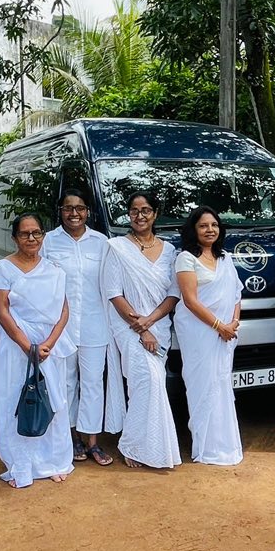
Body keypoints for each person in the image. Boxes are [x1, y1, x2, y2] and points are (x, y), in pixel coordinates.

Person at [0, 213, 76, 488]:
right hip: (15, 346)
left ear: (43, 235)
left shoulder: (54, 270)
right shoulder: (3, 268)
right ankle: (22, 465)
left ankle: (54, 462)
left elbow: (64, 310)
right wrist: (27, 346)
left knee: (51, 401)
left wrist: (49, 342)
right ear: (14, 237)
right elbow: (1, 311)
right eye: (25, 233)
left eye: (36, 233)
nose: (31, 238)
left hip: (49, 348)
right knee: (16, 403)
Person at [101, 191, 182, 469]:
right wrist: (140, 328)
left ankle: (148, 446)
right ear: (128, 214)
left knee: (150, 385)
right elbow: (114, 293)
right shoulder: (117, 248)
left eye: (146, 210)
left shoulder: (169, 250)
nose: (140, 216)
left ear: (155, 213)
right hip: (129, 327)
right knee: (147, 381)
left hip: (159, 326)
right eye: (134, 211)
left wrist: (150, 322)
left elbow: (174, 294)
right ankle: (132, 445)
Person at [43, 188, 122, 467]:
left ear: (88, 211)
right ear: (60, 211)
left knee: (93, 383)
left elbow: (111, 283)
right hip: (60, 327)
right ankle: (71, 437)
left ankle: (92, 441)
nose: (74, 213)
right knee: (66, 383)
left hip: (94, 323)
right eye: (68, 208)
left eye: (79, 208)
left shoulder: (101, 243)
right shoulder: (48, 242)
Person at [175, 205, 244, 465]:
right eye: (203, 225)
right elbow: (190, 301)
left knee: (221, 383)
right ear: (194, 229)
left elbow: (235, 294)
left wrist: (233, 323)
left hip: (225, 333)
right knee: (203, 385)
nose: (210, 230)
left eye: (214, 225)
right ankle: (206, 446)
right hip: (199, 333)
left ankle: (225, 444)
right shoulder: (186, 259)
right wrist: (219, 326)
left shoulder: (225, 258)